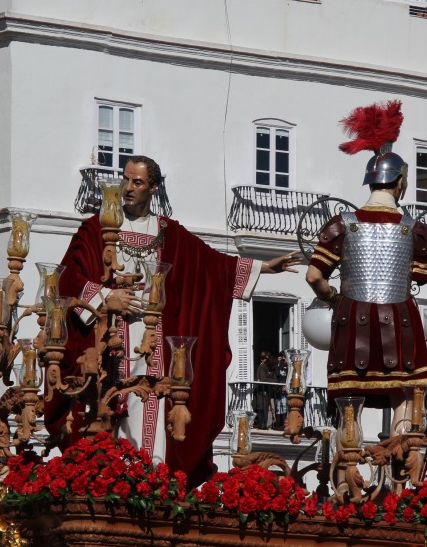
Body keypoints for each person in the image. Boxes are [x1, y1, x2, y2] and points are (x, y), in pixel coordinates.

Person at [45, 155, 300, 483]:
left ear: (153, 187)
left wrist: (264, 267)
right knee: (106, 404)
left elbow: (212, 266)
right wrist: (107, 297)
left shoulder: (170, 234)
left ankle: (149, 477)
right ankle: (108, 474)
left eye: (137, 182)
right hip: (107, 341)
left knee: (150, 400)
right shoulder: (97, 228)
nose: (128, 188)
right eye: (125, 179)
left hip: (154, 347)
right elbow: (67, 278)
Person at [305, 101, 427, 427]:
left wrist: (332, 298)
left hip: (351, 318)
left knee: (349, 401)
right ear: (400, 182)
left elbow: (314, 276)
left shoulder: (342, 223)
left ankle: (345, 473)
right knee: (406, 394)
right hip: (398, 319)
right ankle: (401, 468)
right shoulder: (414, 229)